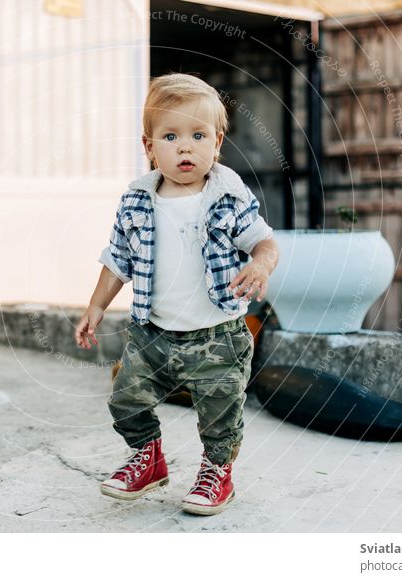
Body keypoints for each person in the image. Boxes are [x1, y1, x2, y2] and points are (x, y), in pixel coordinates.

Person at [74, 73, 279, 516]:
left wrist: (259, 265)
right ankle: (148, 458)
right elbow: (118, 260)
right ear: (149, 147)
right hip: (152, 333)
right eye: (171, 136)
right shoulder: (136, 201)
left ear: (217, 142)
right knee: (126, 399)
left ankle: (216, 471)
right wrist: (95, 305)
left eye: (197, 135)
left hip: (217, 334)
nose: (185, 147)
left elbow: (265, 242)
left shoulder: (227, 195)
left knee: (220, 412)